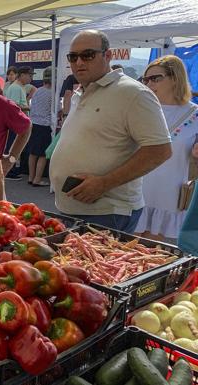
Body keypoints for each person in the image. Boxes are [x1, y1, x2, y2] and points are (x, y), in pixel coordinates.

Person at [49, 30, 172, 232]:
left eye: (88, 55)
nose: (79, 62)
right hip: (74, 208)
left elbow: (160, 150)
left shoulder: (133, 93)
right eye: (73, 57)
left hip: (108, 212)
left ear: (107, 55)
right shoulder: (84, 91)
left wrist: (104, 183)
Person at [134, 55, 198, 241]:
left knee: (153, 248)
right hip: (137, 188)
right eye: (146, 79)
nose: (149, 84)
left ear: (175, 78)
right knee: (129, 242)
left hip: (169, 191)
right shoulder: (141, 109)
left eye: (155, 78)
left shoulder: (194, 114)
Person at [28, 67, 54, 187]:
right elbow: (56, 109)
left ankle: (30, 177)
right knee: (43, 154)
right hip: (44, 124)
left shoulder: (37, 90)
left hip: (33, 123)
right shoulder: (52, 93)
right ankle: (37, 179)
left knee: (33, 153)